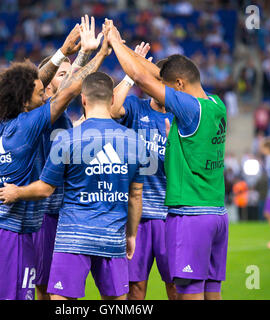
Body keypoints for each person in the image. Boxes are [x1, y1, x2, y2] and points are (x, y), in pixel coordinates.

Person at [0, 19, 109, 300]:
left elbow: (38, 83)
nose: (45, 92)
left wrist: (63, 52)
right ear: (25, 102)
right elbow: (68, 91)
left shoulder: (4, 120)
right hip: (11, 232)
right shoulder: (27, 126)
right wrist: (102, 53)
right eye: (39, 93)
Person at [105, 19, 228, 300]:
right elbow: (161, 75)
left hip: (191, 215)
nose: (170, 94)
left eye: (172, 89)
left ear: (180, 86)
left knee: (189, 293)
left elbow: (142, 79)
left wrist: (114, 42)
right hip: (217, 213)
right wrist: (129, 50)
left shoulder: (187, 108)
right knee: (212, 291)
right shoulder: (216, 104)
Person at [0, 71, 144, 300]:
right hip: (112, 236)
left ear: (83, 99)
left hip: (72, 237)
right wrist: (131, 235)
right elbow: (135, 196)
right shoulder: (135, 141)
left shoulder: (66, 139)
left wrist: (17, 191)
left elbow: (46, 189)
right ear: (113, 99)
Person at [31, 18, 102, 299]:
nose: (69, 78)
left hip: (67, 214)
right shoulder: (42, 113)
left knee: (61, 288)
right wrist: (86, 53)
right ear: (46, 87)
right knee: (44, 287)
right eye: (62, 74)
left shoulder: (64, 121)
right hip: (45, 214)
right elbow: (70, 87)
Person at [110, 43, 176, 300]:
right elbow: (112, 108)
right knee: (135, 287)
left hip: (170, 215)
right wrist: (130, 73)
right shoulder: (137, 108)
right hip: (137, 217)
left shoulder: (180, 117)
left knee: (175, 286)